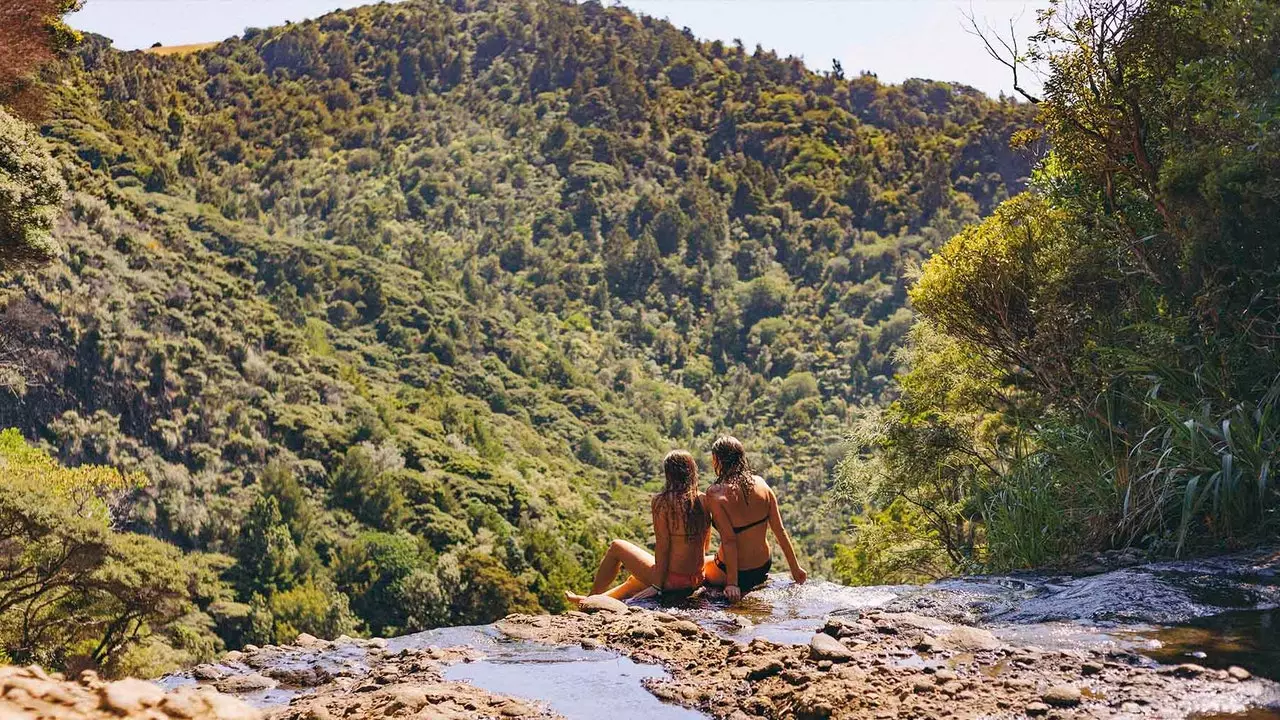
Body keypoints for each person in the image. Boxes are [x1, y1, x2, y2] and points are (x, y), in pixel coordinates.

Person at [566, 450, 711, 603]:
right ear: (692, 471)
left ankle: (591, 598)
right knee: (633, 582)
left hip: (672, 581)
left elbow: (663, 547)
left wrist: (657, 586)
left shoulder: (662, 502)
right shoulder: (704, 499)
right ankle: (596, 600)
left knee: (616, 546)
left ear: (669, 474)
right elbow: (706, 546)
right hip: (697, 578)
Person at [703, 435, 807, 601]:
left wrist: (732, 584)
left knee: (700, 566)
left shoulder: (715, 494)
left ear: (717, 460)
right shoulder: (762, 484)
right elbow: (779, 530)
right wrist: (796, 570)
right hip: (762, 566)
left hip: (735, 572)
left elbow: (729, 541)